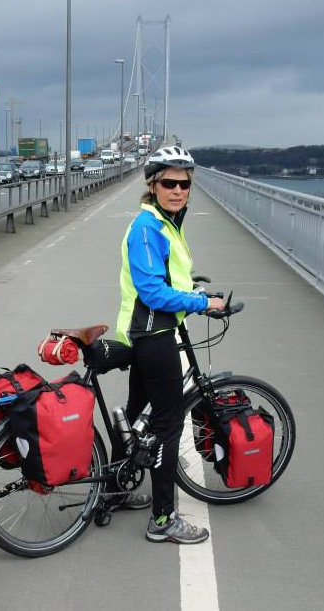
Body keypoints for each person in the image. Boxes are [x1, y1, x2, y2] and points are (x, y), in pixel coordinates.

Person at [115, 146, 226, 544]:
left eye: (184, 183)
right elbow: (152, 291)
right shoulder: (148, 228)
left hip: (150, 333)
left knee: (135, 415)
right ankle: (163, 519)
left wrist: (189, 286)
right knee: (167, 425)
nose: (178, 190)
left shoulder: (167, 222)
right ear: (153, 185)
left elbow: (166, 277)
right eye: (169, 182)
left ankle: (115, 490)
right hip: (153, 336)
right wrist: (201, 302)